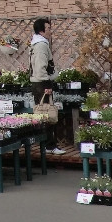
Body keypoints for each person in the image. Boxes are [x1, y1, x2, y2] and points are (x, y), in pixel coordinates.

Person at [30, 19, 65, 155]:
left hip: (38, 83)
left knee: (43, 115)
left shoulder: (37, 43)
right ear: (41, 31)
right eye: (48, 28)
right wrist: (47, 84)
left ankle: (46, 144)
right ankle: (49, 146)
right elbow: (40, 68)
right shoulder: (41, 46)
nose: (51, 31)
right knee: (48, 114)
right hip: (42, 83)